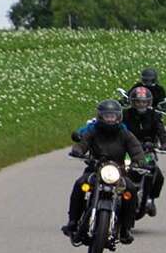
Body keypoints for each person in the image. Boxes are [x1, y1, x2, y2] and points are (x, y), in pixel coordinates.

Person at [62, 99, 149, 245]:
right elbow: (83, 143)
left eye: (113, 116)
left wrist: (139, 161)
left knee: (130, 191)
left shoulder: (124, 133)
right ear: (101, 116)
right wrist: (77, 151)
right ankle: (73, 222)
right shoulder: (93, 131)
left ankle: (126, 229)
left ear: (118, 117)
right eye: (107, 116)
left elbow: (136, 149)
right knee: (80, 185)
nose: (110, 119)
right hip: (95, 169)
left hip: (118, 171)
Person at [122, 85, 166, 213]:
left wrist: (165, 143)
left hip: (147, 150)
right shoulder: (125, 114)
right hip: (127, 150)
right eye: (138, 101)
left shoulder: (154, 116)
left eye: (144, 102)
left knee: (157, 174)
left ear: (149, 102)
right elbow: (117, 129)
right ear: (132, 102)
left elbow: (161, 131)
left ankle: (150, 199)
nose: (141, 104)